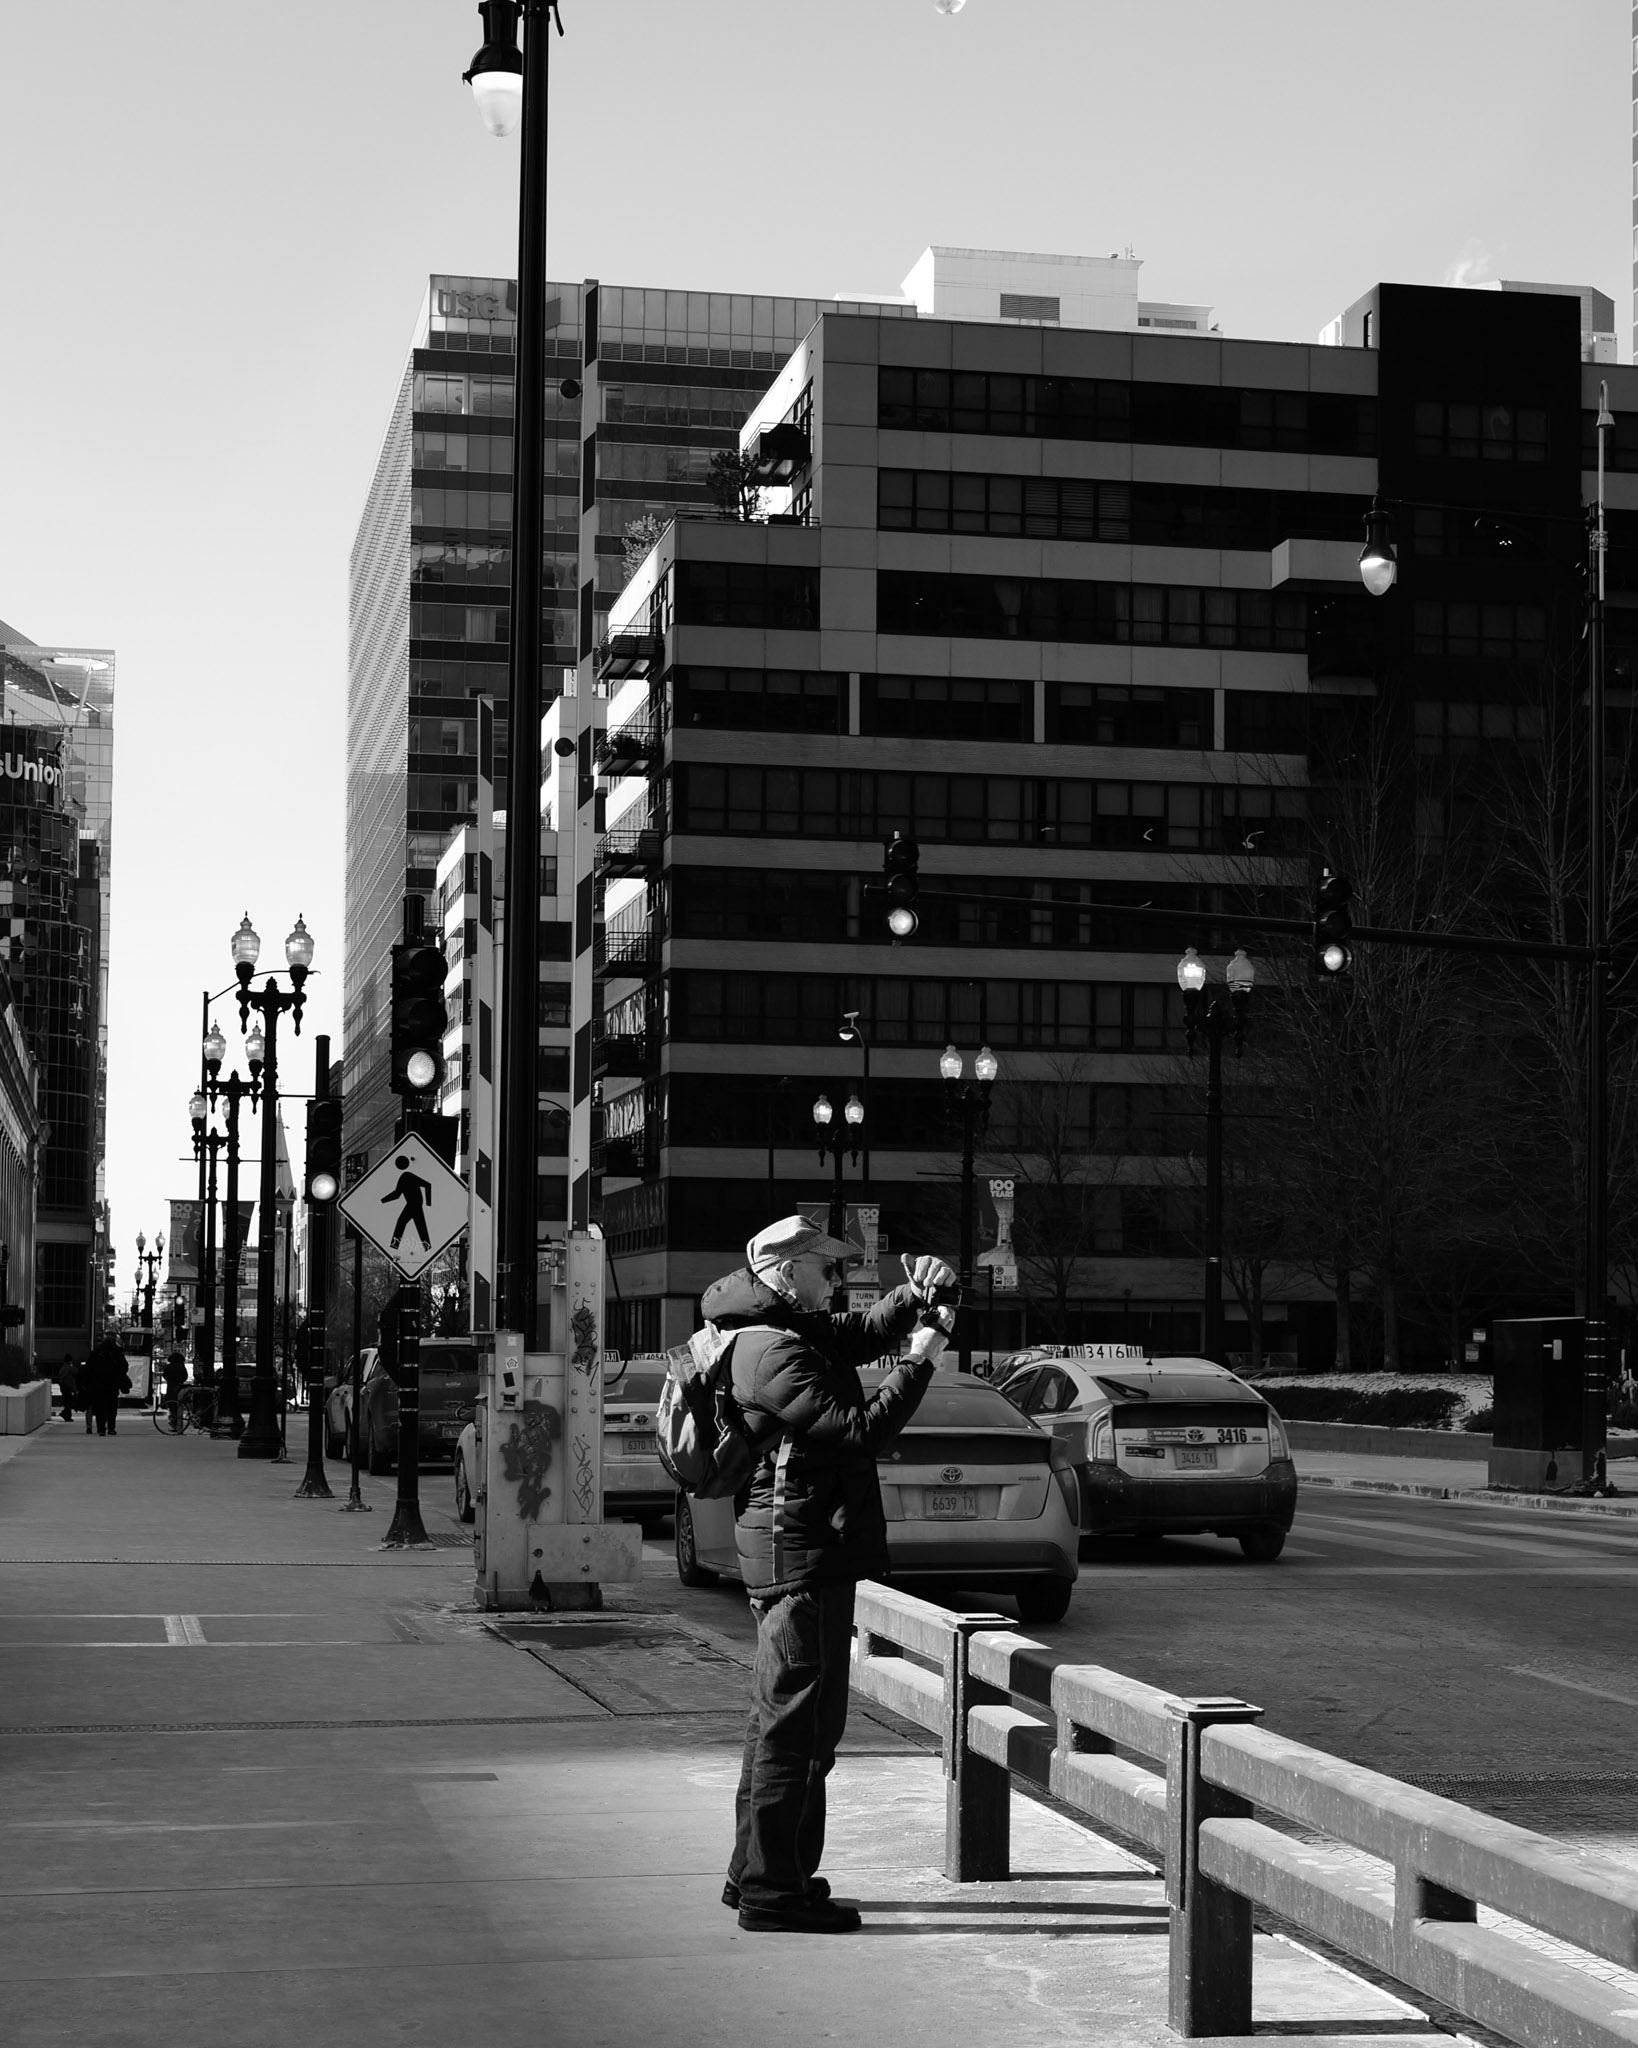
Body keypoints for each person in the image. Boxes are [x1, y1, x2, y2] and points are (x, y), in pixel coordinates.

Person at [708, 1214, 959, 1935]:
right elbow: (860, 1430)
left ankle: (757, 1875)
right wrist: (922, 1357)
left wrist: (914, 1300)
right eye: (827, 1269)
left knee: (780, 1726)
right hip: (800, 1555)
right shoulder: (772, 1352)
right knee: (801, 1733)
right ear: (785, 1272)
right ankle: (774, 1893)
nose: (839, 1282)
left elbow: (857, 1334)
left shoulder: (782, 1329)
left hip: (800, 1548)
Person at [82, 1334, 130, 1437]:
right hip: (113, 1384)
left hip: (98, 1385)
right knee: (112, 1407)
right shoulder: (117, 1353)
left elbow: (88, 1369)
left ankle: (101, 1428)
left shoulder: (96, 1353)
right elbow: (124, 1367)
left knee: (100, 1407)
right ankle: (111, 1428)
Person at [161, 1350, 187, 1430]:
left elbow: (165, 1375)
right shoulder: (182, 1366)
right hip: (180, 1387)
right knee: (179, 1405)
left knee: (172, 1406)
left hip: (171, 1387)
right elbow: (185, 1376)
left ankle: (174, 1422)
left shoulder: (169, 1366)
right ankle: (179, 1423)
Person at [56, 1356, 80, 1426]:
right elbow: (77, 1373)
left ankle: (67, 1415)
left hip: (63, 1387)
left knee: (66, 1401)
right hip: (69, 1387)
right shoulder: (71, 1368)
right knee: (69, 1402)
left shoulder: (62, 1369)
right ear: (70, 1361)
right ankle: (65, 1414)